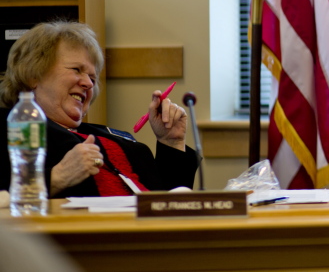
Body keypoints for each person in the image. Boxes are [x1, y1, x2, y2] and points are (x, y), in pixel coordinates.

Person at [0, 21, 198, 197]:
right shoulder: (15, 126)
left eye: (93, 78)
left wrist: (171, 142)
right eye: (76, 70)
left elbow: (172, 200)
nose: (88, 83)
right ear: (33, 75)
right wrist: (57, 178)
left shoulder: (115, 137)